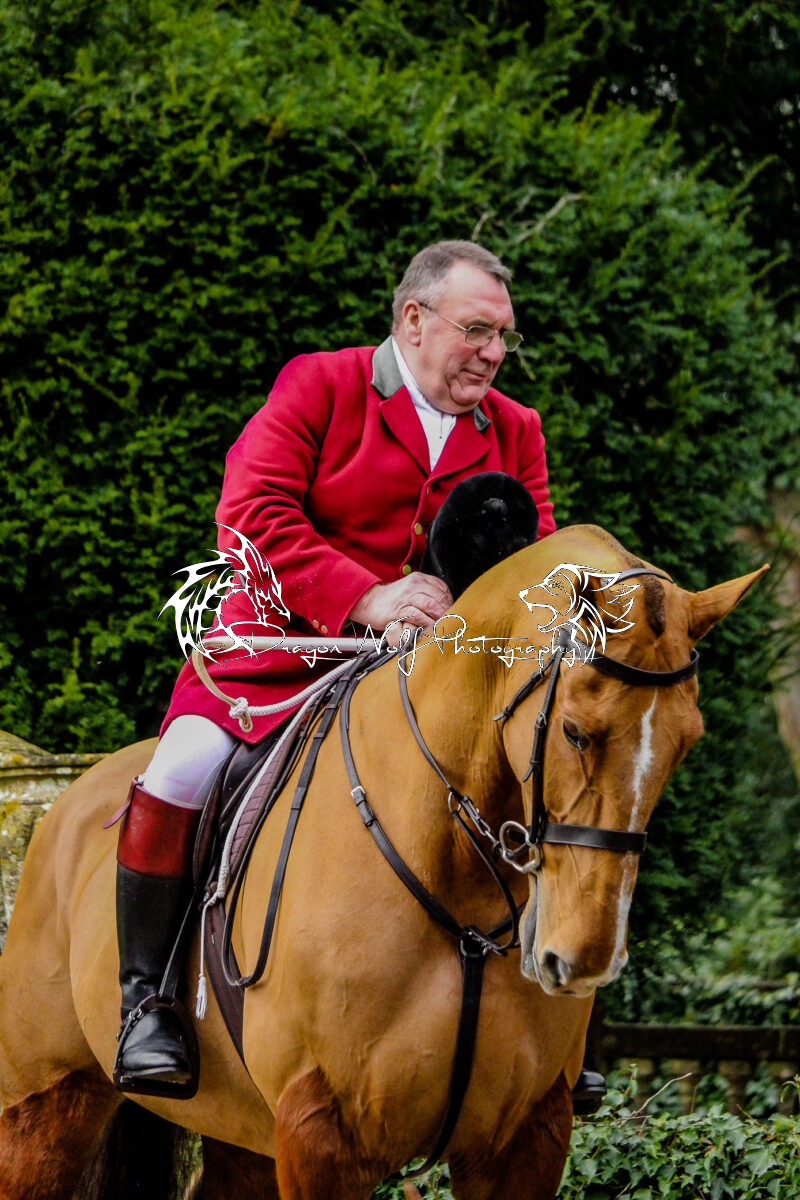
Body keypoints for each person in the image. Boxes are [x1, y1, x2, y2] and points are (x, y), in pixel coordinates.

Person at [113, 239, 565, 1095]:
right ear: (414, 320)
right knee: (179, 772)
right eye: (476, 331)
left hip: (434, 677)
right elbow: (250, 512)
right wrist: (367, 596)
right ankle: (148, 1005)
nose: (494, 354)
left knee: (551, 777)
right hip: (282, 655)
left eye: (503, 336)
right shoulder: (320, 384)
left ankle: (552, 1017)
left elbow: (531, 568)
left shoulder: (516, 430)